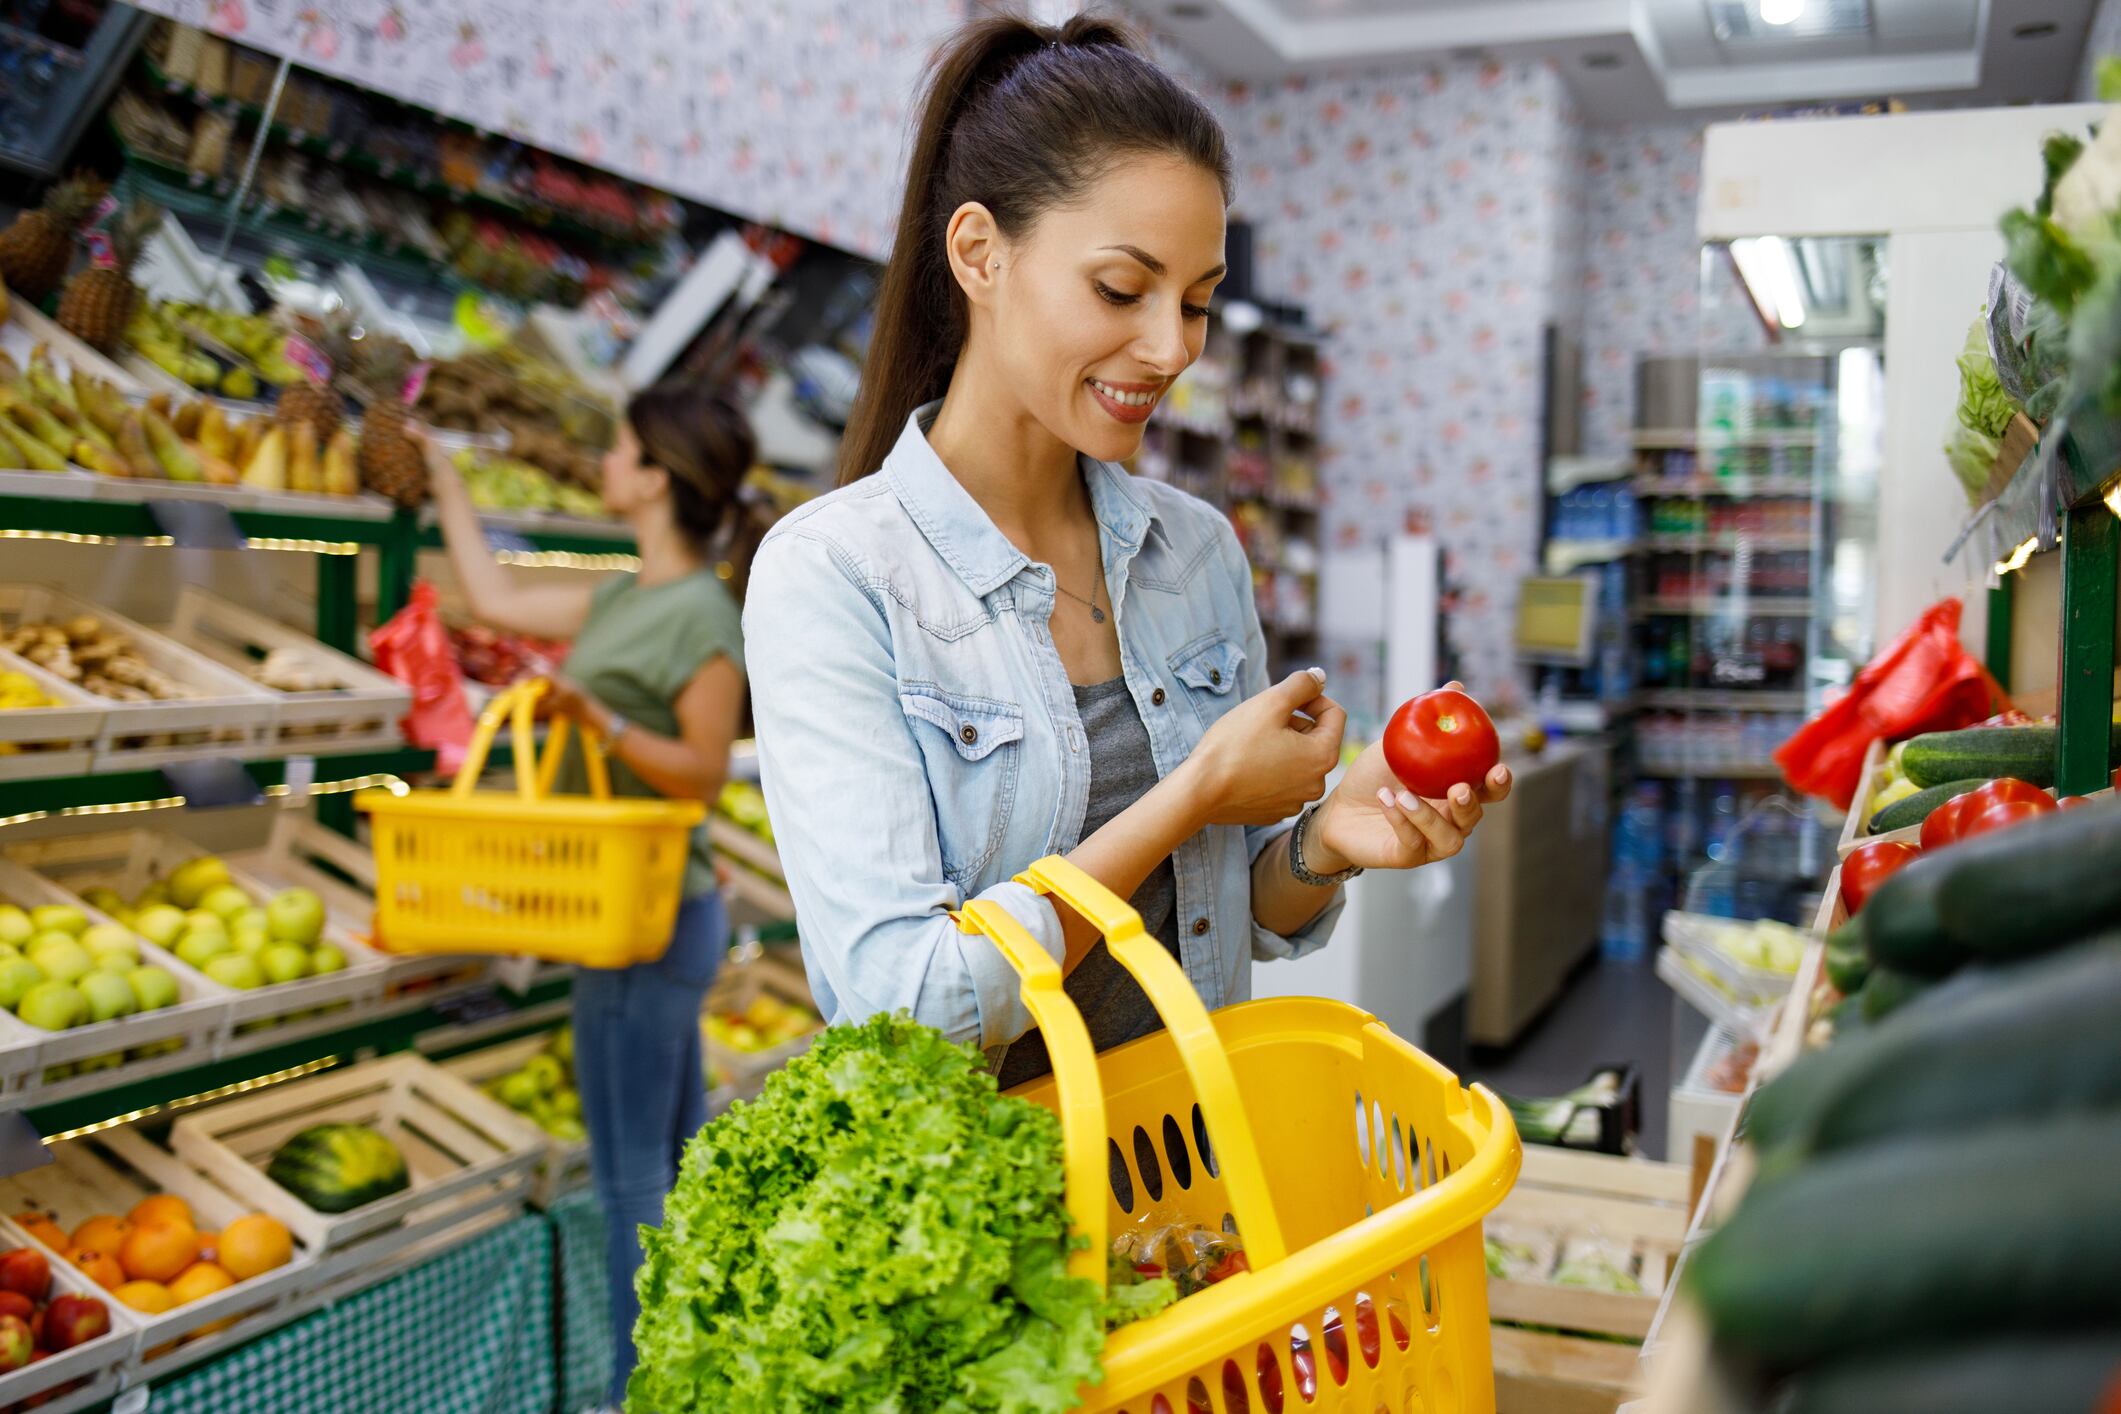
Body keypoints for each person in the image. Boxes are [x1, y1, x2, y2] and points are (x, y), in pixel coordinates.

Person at [742, 13, 1511, 1090]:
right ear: (978, 252)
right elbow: (907, 1009)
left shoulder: (1195, 553)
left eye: (1197, 302)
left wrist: (1325, 840)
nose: (1170, 349)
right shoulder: (837, 573)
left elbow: (1218, 912)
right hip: (989, 1226)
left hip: (1191, 1182)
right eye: (1121, 289)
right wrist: (1194, 793)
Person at [422, 382, 761, 1408]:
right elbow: (492, 598)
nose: (605, 464)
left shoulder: (704, 615)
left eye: (620, 449)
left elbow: (702, 770)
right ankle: (694, 1372)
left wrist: (596, 719)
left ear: (656, 476)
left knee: (630, 1183)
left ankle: (637, 1390)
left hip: (654, 921)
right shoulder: (623, 594)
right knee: (670, 1163)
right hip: (625, 906)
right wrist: (440, 477)